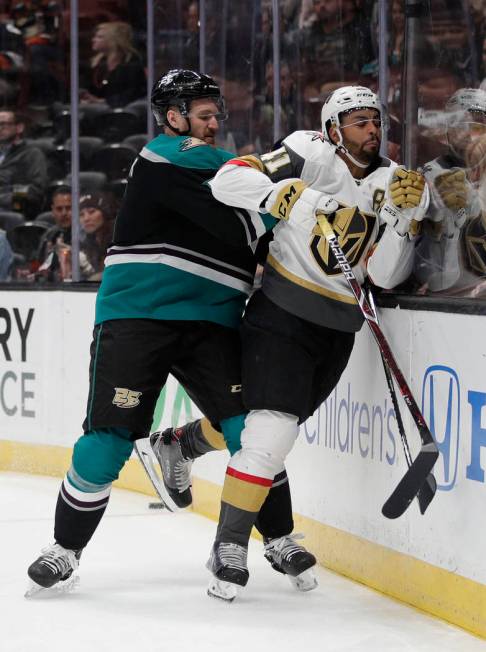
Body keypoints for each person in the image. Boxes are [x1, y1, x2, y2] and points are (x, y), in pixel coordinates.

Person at [26, 69, 316, 594]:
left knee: (250, 432)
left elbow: (265, 222)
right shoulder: (164, 156)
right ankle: (64, 549)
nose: (211, 124)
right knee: (107, 439)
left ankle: (276, 535)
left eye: (214, 115)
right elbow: (250, 197)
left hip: (214, 318)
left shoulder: (235, 177)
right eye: (202, 115)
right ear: (173, 116)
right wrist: (302, 167)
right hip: (140, 313)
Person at [205, 85, 429, 599]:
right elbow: (226, 179)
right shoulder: (307, 151)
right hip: (281, 315)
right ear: (333, 129)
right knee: (270, 435)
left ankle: (185, 443)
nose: (372, 129)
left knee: (270, 430)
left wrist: (401, 222)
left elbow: (388, 278)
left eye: (376, 120)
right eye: (358, 121)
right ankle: (229, 545)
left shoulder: (396, 183)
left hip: (338, 330)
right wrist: (279, 193)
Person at [415, 88, 486, 294]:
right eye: (462, 125)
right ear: (447, 130)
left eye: (479, 126)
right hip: (446, 287)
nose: (470, 135)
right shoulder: (429, 175)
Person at [80, 21, 146, 108]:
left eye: (99, 37)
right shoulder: (96, 65)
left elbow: (133, 94)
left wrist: (101, 101)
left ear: (112, 40)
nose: (93, 39)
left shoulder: (131, 65)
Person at [0, 109, 47, 217]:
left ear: (19, 127)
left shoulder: (31, 154)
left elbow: (36, 190)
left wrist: (7, 196)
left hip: (12, 211)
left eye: (3, 124)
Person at [78, 192, 116, 281]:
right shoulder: (88, 242)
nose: (86, 218)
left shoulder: (118, 237)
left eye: (91, 212)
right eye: (81, 214)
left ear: (105, 213)